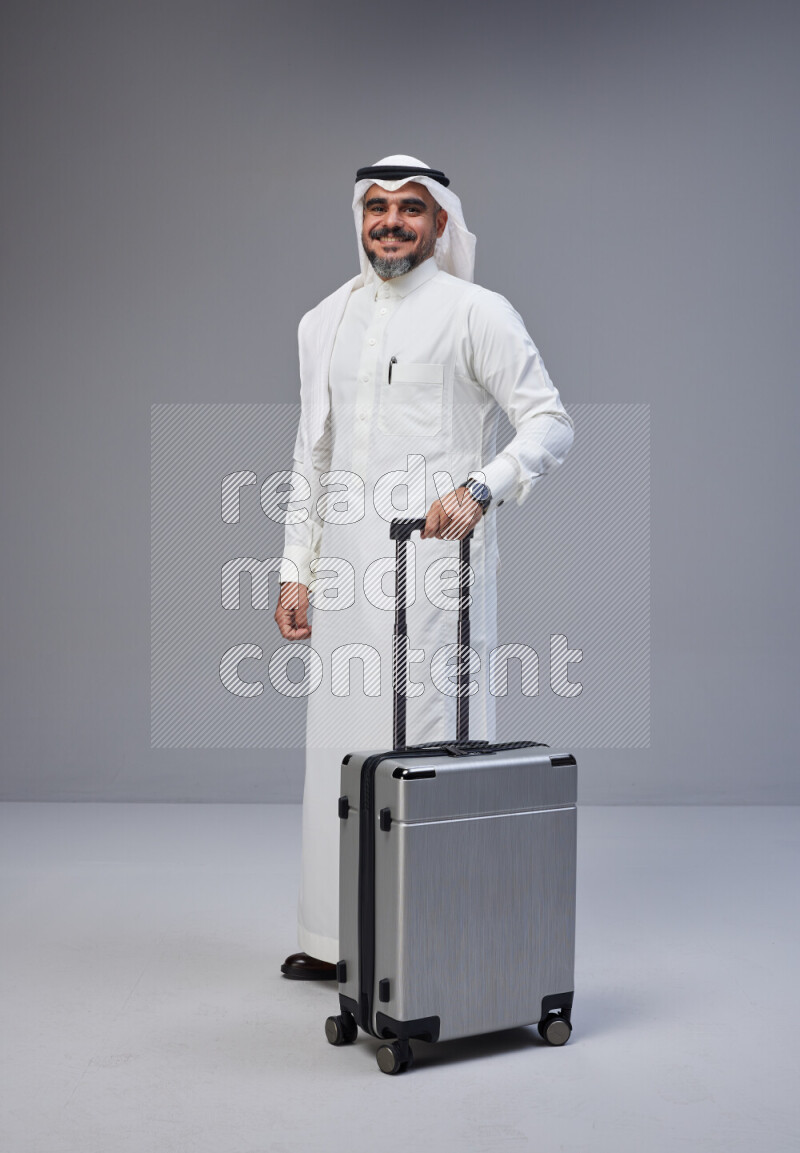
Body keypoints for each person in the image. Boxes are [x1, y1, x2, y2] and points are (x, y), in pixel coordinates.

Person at [274, 155, 574, 980]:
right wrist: (295, 569)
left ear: (441, 222)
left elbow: (550, 424)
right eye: (377, 207)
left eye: (412, 208)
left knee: (428, 744)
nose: (392, 222)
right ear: (359, 218)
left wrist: (485, 487)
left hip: (438, 566)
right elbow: (314, 455)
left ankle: (424, 946)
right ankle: (339, 942)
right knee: (338, 750)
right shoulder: (322, 319)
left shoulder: (476, 312)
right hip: (345, 573)